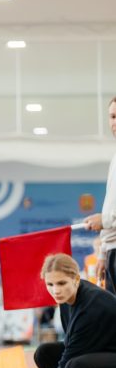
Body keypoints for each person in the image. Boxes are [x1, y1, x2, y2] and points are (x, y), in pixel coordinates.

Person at [22, 254, 116, 368]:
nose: (56, 290)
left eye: (62, 283)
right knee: (45, 353)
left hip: (110, 356)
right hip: (105, 354)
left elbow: (69, 358)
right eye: (50, 284)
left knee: (75, 366)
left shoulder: (91, 305)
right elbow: (69, 347)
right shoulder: (67, 299)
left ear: (76, 279)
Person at [83, 96, 116, 294]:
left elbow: (107, 216)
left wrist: (103, 220)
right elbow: (110, 206)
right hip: (112, 251)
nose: (115, 122)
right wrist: (103, 252)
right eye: (112, 116)